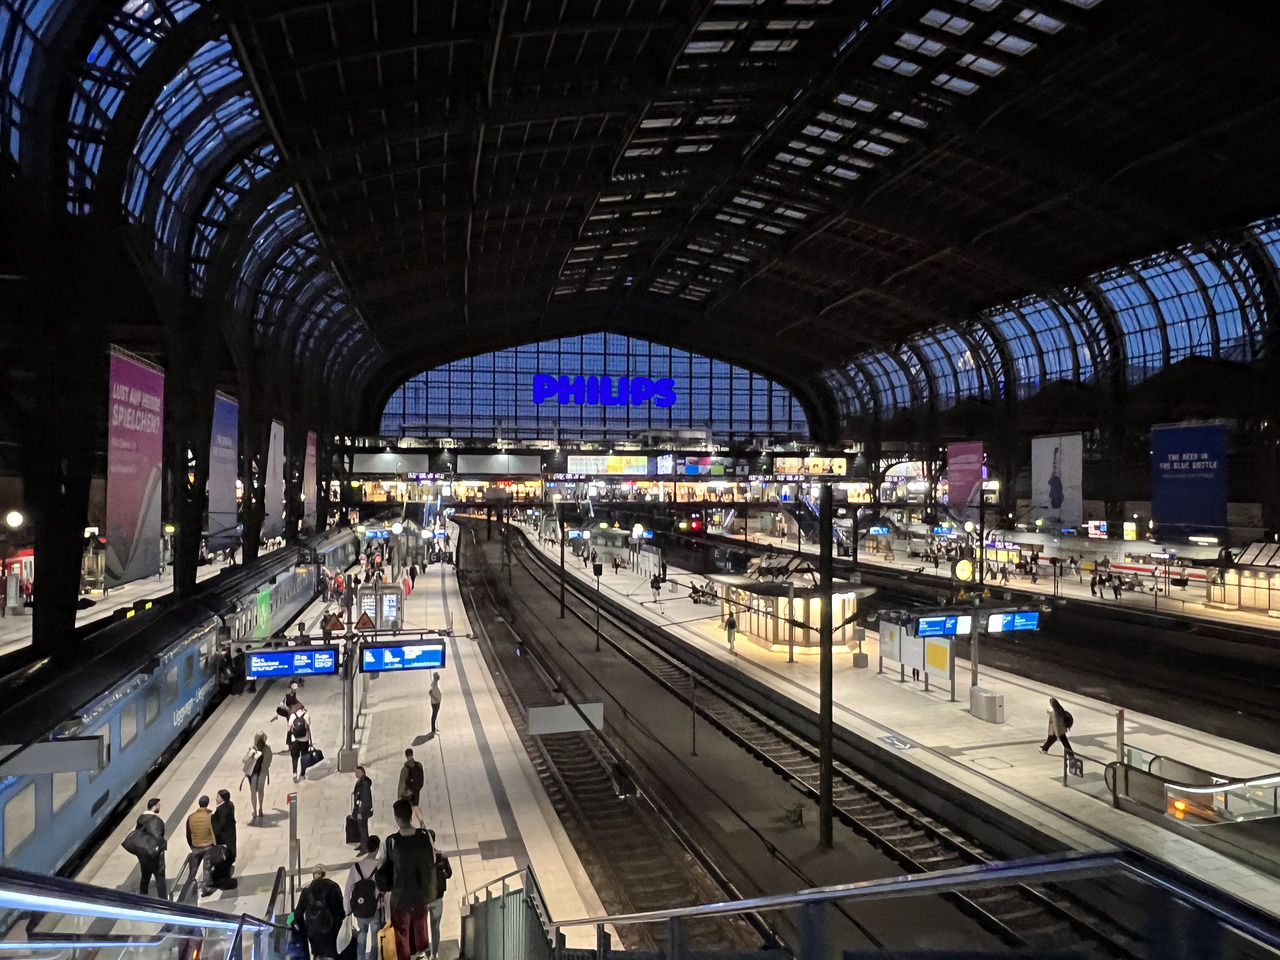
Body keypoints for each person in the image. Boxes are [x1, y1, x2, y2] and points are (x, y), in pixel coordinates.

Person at [376, 800, 437, 960]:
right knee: (420, 926)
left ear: (397, 818)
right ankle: (422, 955)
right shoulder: (425, 836)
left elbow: (381, 868)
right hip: (420, 893)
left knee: (402, 932)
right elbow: (432, 860)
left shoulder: (390, 842)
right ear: (411, 816)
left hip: (400, 896)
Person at [296, 865, 345, 960]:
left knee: (317, 954)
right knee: (331, 954)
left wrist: (301, 927)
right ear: (324, 874)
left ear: (313, 875)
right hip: (331, 930)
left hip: (313, 930)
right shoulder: (333, 886)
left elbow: (298, 913)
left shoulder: (306, 890)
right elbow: (341, 909)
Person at [345, 835, 382, 960]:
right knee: (375, 936)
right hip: (375, 908)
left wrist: (348, 909)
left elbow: (347, 891)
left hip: (360, 908)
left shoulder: (355, 867)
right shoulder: (380, 865)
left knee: (362, 933)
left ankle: (360, 958)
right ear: (377, 849)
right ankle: (373, 958)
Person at [132, 798, 168, 898]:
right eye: (159, 805)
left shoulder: (140, 819)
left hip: (143, 853)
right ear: (155, 806)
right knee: (160, 878)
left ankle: (143, 897)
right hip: (155, 855)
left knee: (145, 877)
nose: (159, 807)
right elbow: (159, 838)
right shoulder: (157, 821)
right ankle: (163, 900)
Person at [425, 829, 452, 960]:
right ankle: (434, 954)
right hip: (437, 898)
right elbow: (449, 874)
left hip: (424, 899)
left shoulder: (419, 859)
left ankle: (425, 950)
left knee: (423, 926)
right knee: (435, 927)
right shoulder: (442, 856)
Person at [185, 795, 216, 891]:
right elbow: (214, 832)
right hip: (208, 846)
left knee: (193, 870)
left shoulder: (191, 817)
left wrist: (192, 845)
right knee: (206, 870)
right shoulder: (210, 816)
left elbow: (188, 834)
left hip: (195, 846)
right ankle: (205, 889)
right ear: (207, 803)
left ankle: (189, 888)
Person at [246, 730, 272, 820]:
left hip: (253, 773)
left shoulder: (252, 749)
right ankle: (260, 808)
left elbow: (247, 761)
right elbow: (268, 762)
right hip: (263, 772)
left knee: (253, 791)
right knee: (260, 790)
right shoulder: (267, 749)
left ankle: (254, 811)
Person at [210, 788, 237, 872]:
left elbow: (221, 823)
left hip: (224, 835)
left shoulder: (222, 809)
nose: (216, 798)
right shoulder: (230, 805)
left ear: (223, 798)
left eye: (218, 797)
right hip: (231, 832)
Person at [397, 748, 425, 825]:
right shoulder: (419, 765)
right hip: (416, 790)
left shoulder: (405, 769)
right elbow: (421, 778)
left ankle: (408, 824)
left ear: (406, 755)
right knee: (416, 806)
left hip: (407, 792)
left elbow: (402, 783)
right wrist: (418, 788)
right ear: (412, 754)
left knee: (407, 808)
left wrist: (399, 796)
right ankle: (421, 821)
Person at [288, 705, 312, 782]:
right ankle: (302, 774)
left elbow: (289, 728)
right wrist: (310, 740)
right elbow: (308, 729)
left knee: (294, 757)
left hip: (295, 740)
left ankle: (295, 773)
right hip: (305, 739)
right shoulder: (307, 715)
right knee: (304, 757)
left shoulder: (293, 716)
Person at [351, 766, 373, 848]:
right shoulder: (360, 782)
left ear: (363, 773)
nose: (356, 774)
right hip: (359, 809)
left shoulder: (364, 784)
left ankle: (365, 846)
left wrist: (360, 812)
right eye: (355, 772)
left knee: (363, 828)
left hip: (363, 811)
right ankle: (363, 843)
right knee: (361, 828)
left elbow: (365, 799)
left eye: (358, 772)